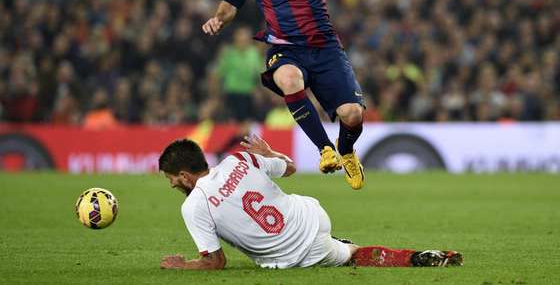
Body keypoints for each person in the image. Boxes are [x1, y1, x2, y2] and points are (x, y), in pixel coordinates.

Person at [202, 0, 414, 190]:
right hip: (285, 48)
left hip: (325, 46)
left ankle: (347, 150)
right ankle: (325, 149)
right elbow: (230, 2)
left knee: (352, 115)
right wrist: (217, 19)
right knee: (289, 79)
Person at [158, 135, 463, 270]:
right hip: (312, 216)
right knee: (342, 247)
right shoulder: (239, 158)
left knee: (350, 255)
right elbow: (289, 168)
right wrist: (270, 153)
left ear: (184, 175)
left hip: (294, 256)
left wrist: (182, 266)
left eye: (170, 178)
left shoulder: (194, 205)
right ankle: (413, 256)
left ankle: (398, 256)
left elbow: (216, 263)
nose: (172, 184)